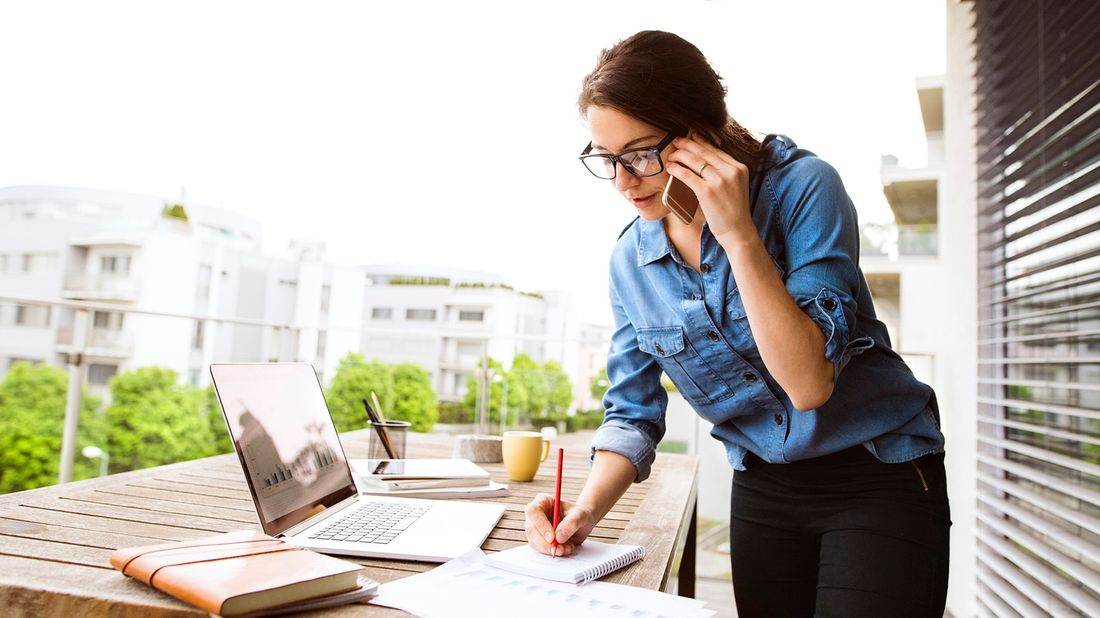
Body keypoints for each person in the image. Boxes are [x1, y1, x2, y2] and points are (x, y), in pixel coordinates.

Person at [523, 30, 951, 617]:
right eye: (606, 159)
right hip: (763, 484)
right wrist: (585, 511)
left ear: (700, 130)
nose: (623, 181)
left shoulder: (803, 189)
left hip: (876, 472)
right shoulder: (631, 260)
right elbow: (631, 411)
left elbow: (808, 384)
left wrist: (738, 237)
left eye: (641, 154)